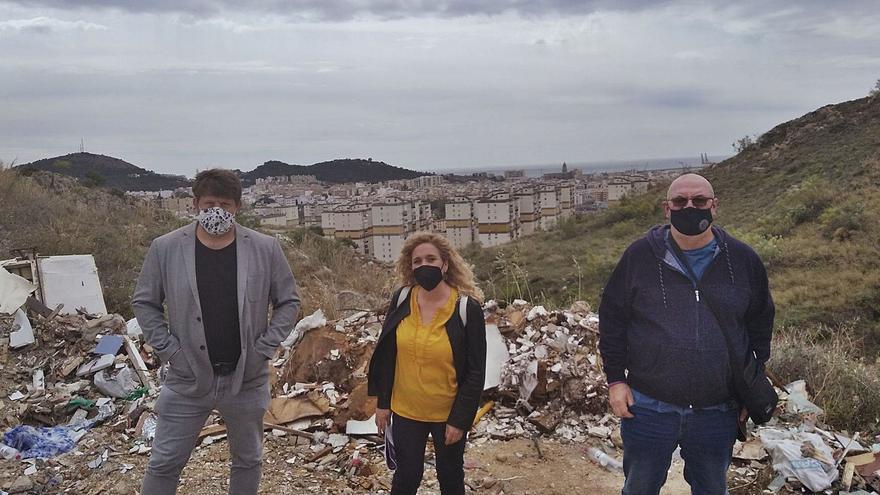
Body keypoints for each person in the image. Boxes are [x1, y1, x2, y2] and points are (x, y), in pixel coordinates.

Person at [598, 173, 775, 495]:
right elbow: (613, 320)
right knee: (639, 488)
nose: (690, 207)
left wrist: (752, 381)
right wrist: (615, 381)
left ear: (714, 206)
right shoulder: (640, 256)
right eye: (680, 201)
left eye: (699, 200)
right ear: (667, 209)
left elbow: (760, 325)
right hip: (648, 406)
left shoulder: (742, 259)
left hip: (717, 409)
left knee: (711, 489)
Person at [133, 169, 301, 495]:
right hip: (186, 379)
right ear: (195, 203)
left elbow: (289, 302)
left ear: (237, 207)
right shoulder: (166, 248)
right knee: (164, 463)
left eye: (225, 204)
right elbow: (144, 302)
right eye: (210, 203)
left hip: (246, 378)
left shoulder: (265, 248)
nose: (217, 211)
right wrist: (171, 351)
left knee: (248, 460)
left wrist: (263, 349)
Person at [368, 232, 487, 495]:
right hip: (406, 410)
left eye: (431, 259)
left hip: (447, 413)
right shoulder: (402, 299)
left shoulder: (466, 309)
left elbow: (476, 372)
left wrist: (460, 420)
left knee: (450, 476)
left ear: (445, 264)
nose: (424, 265)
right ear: (410, 267)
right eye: (417, 261)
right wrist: (383, 403)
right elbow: (388, 355)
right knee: (406, 477)